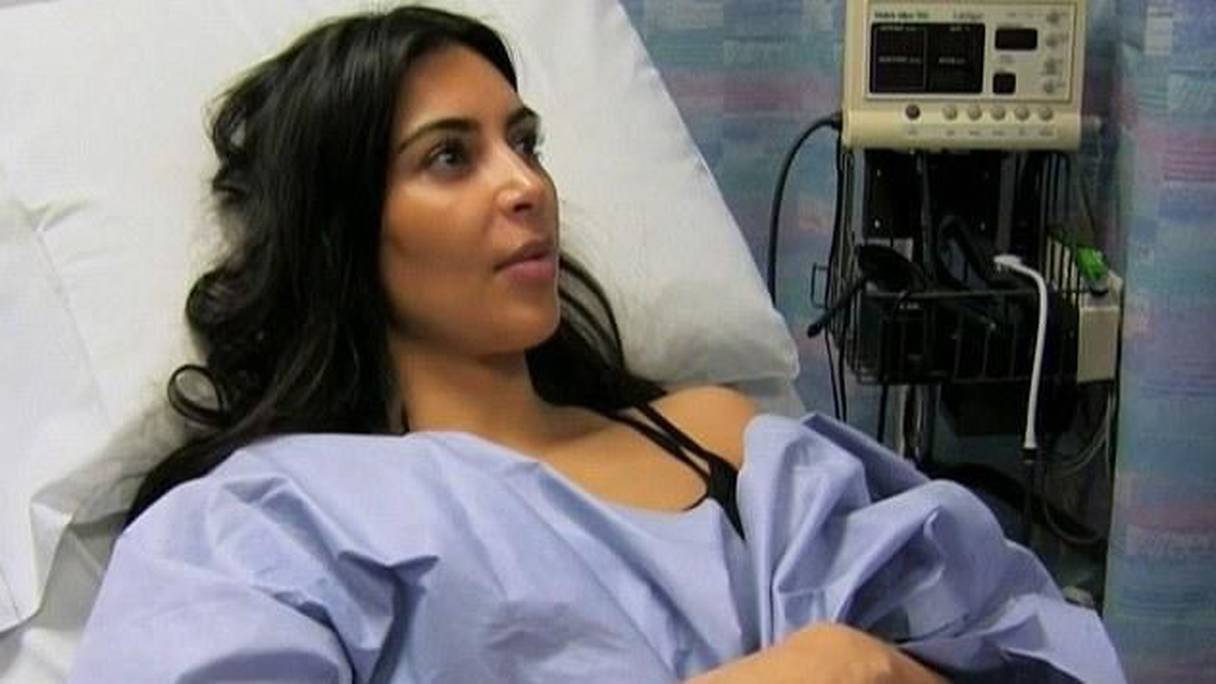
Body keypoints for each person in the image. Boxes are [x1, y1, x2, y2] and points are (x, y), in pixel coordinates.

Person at [69, 6, 1124, 683]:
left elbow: (1020, 640)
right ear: (345, 231)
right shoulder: (262, 524)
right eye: (449, 158)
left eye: (523, 142)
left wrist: (882, 669)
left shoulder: (719, 441)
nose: (525, 185)